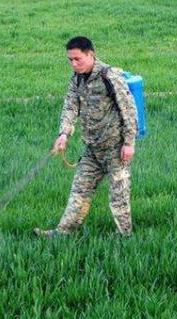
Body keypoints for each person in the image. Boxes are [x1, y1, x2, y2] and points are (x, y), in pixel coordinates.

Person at [34, 36, 138, 238]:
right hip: (91, 151)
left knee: (119, 197)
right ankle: (63, 233)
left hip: (115, 149)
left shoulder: (110, 76)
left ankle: (126, 237)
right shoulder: (77, 78)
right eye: (70, 60)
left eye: (77, 59)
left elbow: (129, 110)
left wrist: (129, 143)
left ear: (91, 55)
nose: (73, 64)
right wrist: (64, 134)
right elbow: (70, 106)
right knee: (79, 193)